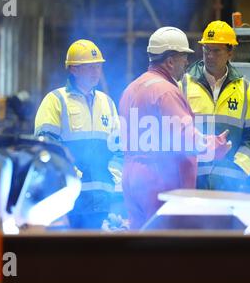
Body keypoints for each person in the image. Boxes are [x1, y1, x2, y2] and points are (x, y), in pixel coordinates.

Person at [119, 27, 231, 229]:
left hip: (132, 177)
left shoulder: (131, 89)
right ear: (170, 61)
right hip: (160, 181)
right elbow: (187, 138)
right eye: (183, 57)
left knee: (139, 244)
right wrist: (215, 146)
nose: (187, 62)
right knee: (166, 248)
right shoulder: (166, 92)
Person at [34, 39, 121, 228]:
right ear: (73, 69)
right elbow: (45, 148)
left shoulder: (107, 103)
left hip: (102, 202)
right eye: (90, 67)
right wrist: (69, 176)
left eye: (98, 66)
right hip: (67, 201)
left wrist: (114, 181)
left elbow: (118, 149)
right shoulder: (55, 101)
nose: (96, 72)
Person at [182, 20, 250, 191]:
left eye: (216, 51)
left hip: (231, 185)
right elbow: (174, 131)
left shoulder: (245, 89)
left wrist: (239, 167)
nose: (210, 56)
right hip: (192, 181)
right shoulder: (183, 84)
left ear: (230, 53)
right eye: (206, 49)